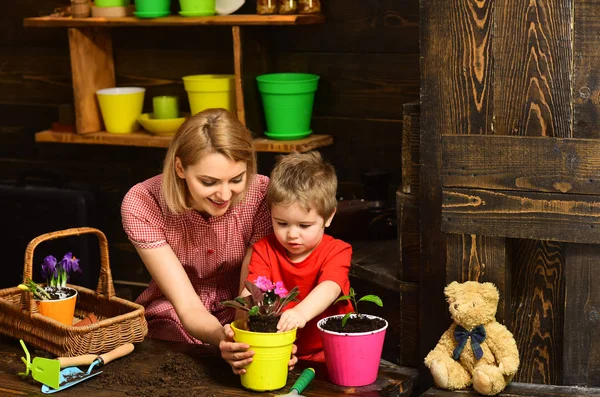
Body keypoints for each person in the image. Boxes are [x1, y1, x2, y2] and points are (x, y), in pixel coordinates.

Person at [121, 108, 295, 374]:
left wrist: (246, 337)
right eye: (208, 182)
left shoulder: (261, 194)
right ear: (180, 167)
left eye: (237, 179)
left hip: (240, 307)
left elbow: (250, 291)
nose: (225, 194)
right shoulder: (143, 202)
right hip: (175, 316)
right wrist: (221, 339)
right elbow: (187, 307)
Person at [240, 151, 353, 362]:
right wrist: (249, 311)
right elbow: (254, 288)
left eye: (304, 225)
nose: (292, 234)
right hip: (279, 348)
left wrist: (300, 313)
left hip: (330, 350)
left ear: (329, 217)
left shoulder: (338, 250)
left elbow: (330, 287)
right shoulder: (264, 249)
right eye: (281, 223)